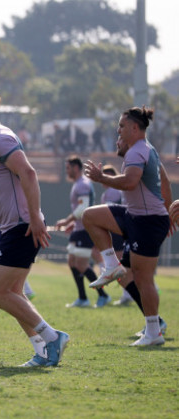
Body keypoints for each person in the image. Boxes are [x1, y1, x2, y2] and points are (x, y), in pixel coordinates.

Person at [0, 87, 69, 367]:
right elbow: (2, 198)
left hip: (22, 228)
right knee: (14, 294)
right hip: (16, 226)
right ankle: (44, 350)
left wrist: (34, 217)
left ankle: (51, 337)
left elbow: (29, 173)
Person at [83, 106, 171, 346]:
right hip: (136, 217)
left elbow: (131, 182)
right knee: (90, 216)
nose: (118, 130)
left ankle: (154, 333)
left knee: (143, 279)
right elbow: (163, 181)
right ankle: (111, 265)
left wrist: (102, 178)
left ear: (134, 128)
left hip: (147, 222)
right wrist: (169, 212)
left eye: (122, 126)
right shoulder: (145, 150)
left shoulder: (138, 151)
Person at [55, 155, 110, 308]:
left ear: (76, 167)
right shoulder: (78, 184)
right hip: (79, 228)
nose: (66, 171)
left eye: (68, 168)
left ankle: (103, 295)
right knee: (72, 261)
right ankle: (83, 298)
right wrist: (73, 223)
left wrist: (67, 221)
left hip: (85, 230)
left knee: (81, 264)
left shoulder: (83, 184)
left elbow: (83, 209)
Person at [98, 165, 132, 306]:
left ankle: (128, 294)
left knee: (120, 265)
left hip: (117, 231)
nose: (103, 180)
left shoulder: (113, 191)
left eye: (106, 176)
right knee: (121, 264)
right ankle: (128, 293)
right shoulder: (109, 192)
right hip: (117, 230)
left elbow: (107, 214)